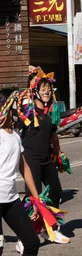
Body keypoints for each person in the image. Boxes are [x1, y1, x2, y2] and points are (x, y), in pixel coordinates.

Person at [15, 72, 70, 245]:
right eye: (43, 89)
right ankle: (24, 237)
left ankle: (50, 229)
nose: (47, 92)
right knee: (33, 199)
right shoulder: (28, 112)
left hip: (47, 159)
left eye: (49, 90)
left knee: (56, 192)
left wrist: (58, 153)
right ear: (36, 92)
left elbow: (54, 135)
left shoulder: (50, 112)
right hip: (31, 160)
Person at [0, 89, 41, 256]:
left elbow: (24, 168)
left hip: (11, 199)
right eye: (18, 105)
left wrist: (36, 200)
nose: (22, 109)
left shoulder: (16, 136)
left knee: (32, 243)